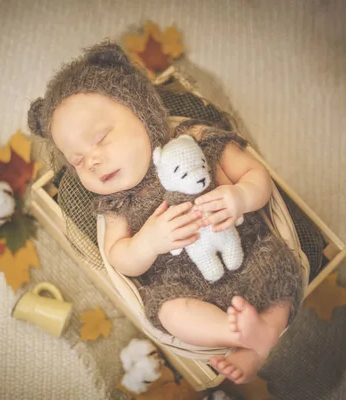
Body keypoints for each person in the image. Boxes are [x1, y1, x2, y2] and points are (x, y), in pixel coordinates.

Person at [28, 41, 303, 384]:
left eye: (100, 138)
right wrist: (148, 242)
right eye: (78, 161)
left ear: (141, 112)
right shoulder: (115, 205)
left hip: (248, 256)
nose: (93, 160)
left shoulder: (195, 140)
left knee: (281, 265)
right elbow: (119, 257)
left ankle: (263, 333)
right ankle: (240, 336)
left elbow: (256, 176)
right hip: (185, 288)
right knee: (170, 312)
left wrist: (239, 197)